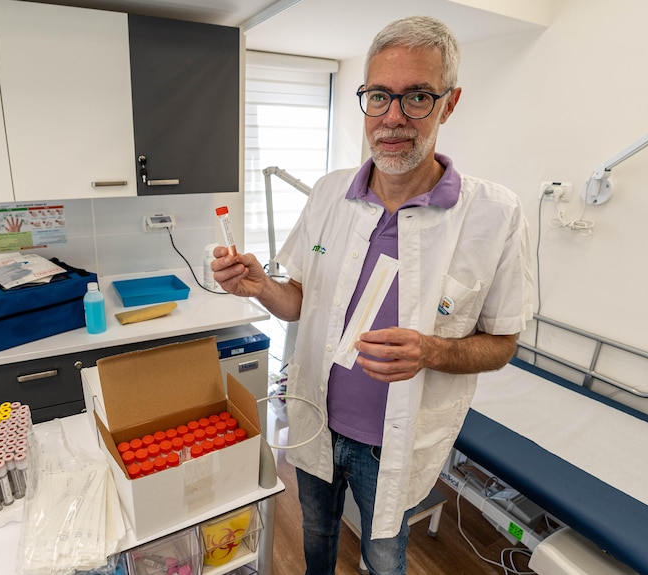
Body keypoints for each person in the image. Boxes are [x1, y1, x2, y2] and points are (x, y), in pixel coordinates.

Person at [212, 15, 533, 575]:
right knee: (315, 535)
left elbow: (503, 343)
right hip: (315, 418)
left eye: (417, 98)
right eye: (379, 96)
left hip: (396, 441)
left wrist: (430, 352)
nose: (392, 118)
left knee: (385, 556)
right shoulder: (331, 192)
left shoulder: (493, 216)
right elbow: (301, 304)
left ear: (449, 103)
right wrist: (262, 287)